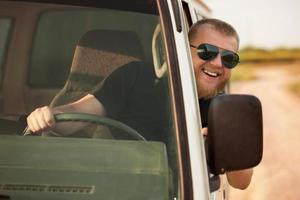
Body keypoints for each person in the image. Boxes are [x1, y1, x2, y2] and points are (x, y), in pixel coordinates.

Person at [27, 18, 252, 189]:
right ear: (183, 50)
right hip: (101, 186)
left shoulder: (226, 111)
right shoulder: (134, 76)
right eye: (207, 51)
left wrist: (224, 141)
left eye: (229, 58)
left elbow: (240, 183)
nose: (217, 63)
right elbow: (78, 112)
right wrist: (50, 115)